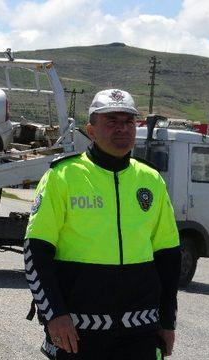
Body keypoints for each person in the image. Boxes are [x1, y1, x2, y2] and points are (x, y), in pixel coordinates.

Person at [24, 89, 181, 359]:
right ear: (91, 130)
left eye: (128, 122)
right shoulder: (63, 176)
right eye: (111, 121)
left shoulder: (151, 179)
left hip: (140, 332)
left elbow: (168, 258)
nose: (122, 128)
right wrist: (54, 315)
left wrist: (167, 322)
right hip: (77, 331)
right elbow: (35, 253)